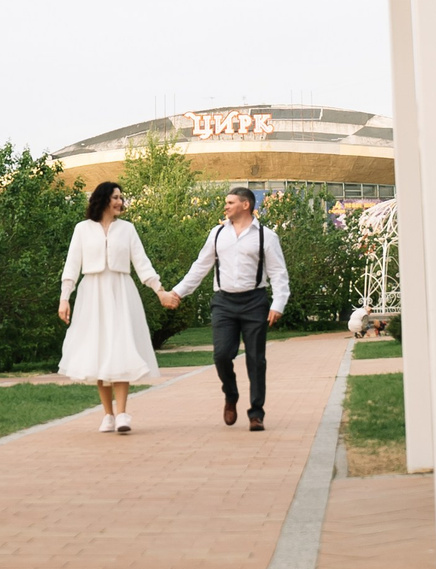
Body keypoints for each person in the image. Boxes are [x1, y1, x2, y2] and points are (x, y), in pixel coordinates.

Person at [170, 186, 288, 431]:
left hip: (255, 301)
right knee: (221, 354)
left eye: (230, 202)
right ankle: (231, 394)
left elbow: (278, 273)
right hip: (223, 302)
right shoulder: (217, 234)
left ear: (245, 205)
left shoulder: (266, 236)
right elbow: (200, 267)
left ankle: (256, 413)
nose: (225, 206)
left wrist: (278, 303)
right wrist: (177, 292)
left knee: (256, 360)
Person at [58, 179, 169, 433]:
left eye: (121, 197)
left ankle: (122, 414)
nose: (120, 202)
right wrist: (65, 298)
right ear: (103, 199)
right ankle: (107, 414)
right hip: (92, 294)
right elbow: (72, 266)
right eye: (116, 197)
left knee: (121, 348)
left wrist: (159, 291)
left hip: (120, 292)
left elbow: (142, 263)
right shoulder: (82, 229)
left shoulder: (127, 230)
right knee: (98, 350)